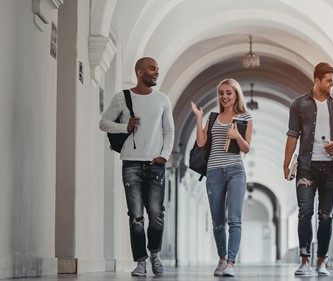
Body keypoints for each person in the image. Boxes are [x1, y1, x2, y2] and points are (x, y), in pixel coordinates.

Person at [99, 57, 175, 277]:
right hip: (131, 163)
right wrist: (125, 126)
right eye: (152, 69)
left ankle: (155, 254)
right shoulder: (122, 98)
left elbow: (169, 131)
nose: (156, 73)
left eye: (157, 69)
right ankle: (141, 261)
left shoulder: (162, 99)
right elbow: (103, 123)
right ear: (139, 72)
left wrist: (164, 155)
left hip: (155, 164)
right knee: (135, 215)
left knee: (156, 213)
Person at [283, 62, 333, 276]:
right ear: (317, 79)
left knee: (326, 215)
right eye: (329, 80)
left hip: (332, 167)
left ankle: (321, 262)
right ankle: (305, 260)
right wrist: (286, 163)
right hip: (306, 167)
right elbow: (292, 134)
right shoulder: (298, 104)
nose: (332, 84)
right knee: (305, 212)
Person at [190, 78, 253, 277]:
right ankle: (222, 259)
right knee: (218, 221)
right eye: (221, 93)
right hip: (214, 172)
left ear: (236, 95)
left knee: (234, 219)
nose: (224, 96)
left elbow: (246, 148)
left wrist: (236, 136)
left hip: (236, 170)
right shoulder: (213, 116)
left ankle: (231, 263)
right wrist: (199, 117)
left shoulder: (245, 117)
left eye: (229, 93)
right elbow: (201, 143)